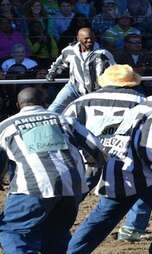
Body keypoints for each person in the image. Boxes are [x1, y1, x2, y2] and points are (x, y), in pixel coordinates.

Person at [67, 74, 152, 254]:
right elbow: (150, 148)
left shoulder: (142, 106)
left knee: (101, 220)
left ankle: (72, 251)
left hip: (117, 167)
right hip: (140, 173)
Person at [0, 87, 107, 254]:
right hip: (71, 186)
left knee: (13, 231)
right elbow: (97, 149)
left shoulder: (5, 126)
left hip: (33, 187)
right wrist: (92, 165)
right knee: (56, 233)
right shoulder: (65, 120)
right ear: (45, 103)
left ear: (17, 105)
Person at [63, 64, 151, 242]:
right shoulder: (143, 102)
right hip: (125, 157)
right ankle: (132, 228)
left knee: (76, 191)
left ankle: (59, 222)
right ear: (132, 82)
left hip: (88, 155)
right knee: (143, 186)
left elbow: (66, 128)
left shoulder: (81, 101)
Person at [46, 27, 115, 113]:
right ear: (78, 38)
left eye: (92, 38)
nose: (89, 40)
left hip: (96, 90)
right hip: (73, 87)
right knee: (54, 108)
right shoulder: (70, 50)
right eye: (86, 38)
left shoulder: (103, 54)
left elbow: (114, 71)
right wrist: (52, 73)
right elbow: (60, 62)